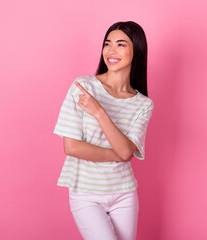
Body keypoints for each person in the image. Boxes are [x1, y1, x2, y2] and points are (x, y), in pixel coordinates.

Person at [53, 21, 154, 240]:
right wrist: (119, 154)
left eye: (120, 44)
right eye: (107, 44)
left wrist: (99, 111)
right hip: (86, 193)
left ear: (137, 50)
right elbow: (71, 147)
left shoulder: (143, 104)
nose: (111, 51)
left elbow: (127, 152)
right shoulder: (83, 87)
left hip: (124, 193)